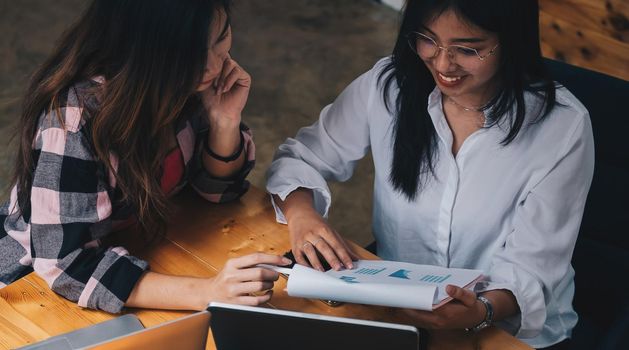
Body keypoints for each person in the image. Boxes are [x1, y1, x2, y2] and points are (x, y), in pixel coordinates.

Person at [266, 0, 594, 348]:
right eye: (426, 39)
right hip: (398, 305)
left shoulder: (562, 127)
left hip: (504, 328)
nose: (441, 63)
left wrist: (479, 310)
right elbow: (303, 156)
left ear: (511, 41)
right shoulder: (388, 86)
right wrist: (302, 213)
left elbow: (533, 268)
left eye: (467, 49)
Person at [0, 0, 290, 314]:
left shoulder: (187, 85)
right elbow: (65, 264)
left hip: (134, 245)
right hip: (28, 281)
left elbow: (218, 192)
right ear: (141, 48)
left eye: (220, 39)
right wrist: (207, 291)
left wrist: (224, 122)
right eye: (189, 53)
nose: (213, 66)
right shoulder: (74, 119)